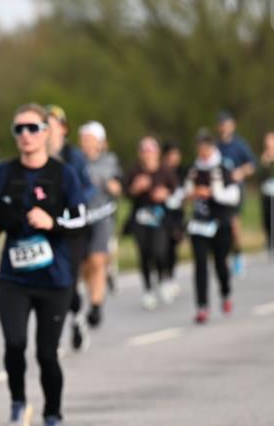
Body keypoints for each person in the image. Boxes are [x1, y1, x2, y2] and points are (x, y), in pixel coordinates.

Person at [0, 104, 87, 426]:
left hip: (55, 279)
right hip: (14, 278)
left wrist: (52, 222)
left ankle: (53, 414)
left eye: (32, 128)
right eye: (19, 130)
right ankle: (17, 403)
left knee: (46, 353)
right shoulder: (3, 173)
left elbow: (81, 219)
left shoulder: (63, 174)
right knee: (14, 344)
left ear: (46, 131)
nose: (25, 135)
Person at [47, 105, 95, 352]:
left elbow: (88, 189)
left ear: (63, 129)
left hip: (72, 228)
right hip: (46, 228)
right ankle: (52, 334)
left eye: (52, 124)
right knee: (48, 281)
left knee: (68, 281)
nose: (48, 130)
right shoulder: (36, 153)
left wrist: (71, 204)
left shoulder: (73, 156)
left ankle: (76, 318)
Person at [184, 130, 240, 324]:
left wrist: (213, 193)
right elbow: (184, 193)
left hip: (220, 223)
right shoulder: (194, 169)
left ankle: (225, 293)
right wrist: (193, 194)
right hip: (199, 224)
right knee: (200, 264)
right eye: (200, 148)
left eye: (206, 147)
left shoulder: (223, 167)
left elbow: (234, 196)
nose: (203, 152)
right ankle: (202, 306)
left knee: (220, 264)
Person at [124, 135, 178, 310]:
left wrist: (165, 194)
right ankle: (147, 290)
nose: (147, 155)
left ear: (157, 153)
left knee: (159, 250)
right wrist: (136, 188)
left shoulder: (165, 171)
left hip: (160, 217)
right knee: (144, 253)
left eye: (151, 151)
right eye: (144, 151)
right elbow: (126, 192)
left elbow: (176, 192)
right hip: (140, 218)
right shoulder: (134, 171)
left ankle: (163, 279)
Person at [79, 121, 122, 328]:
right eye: (84, 139)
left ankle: (96, 306)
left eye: (90, 139)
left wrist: (108, 184)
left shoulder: (109, 161)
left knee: (97, 261)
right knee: (85, 265)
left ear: (100, 142)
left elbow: (117, 186)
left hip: (103, 216)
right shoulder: (76, 162)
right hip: (81, 217)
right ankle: (95, 292)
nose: (86, 144)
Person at [216, 110, 256, 276]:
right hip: (220, 191)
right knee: (220, 227)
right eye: (221, 124)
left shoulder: (239, 145)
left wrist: (240, 172)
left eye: (227, 124)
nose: (224, 127)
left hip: (235, 191)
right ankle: (222, 257)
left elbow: (252, 165)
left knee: (234, 225)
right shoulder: (216, 147)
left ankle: (238, 256)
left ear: (232, 125)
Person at [160, 141, 188, 303]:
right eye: (171, 155)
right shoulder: (161, 172)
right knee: (162, 247)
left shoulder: (182, 172)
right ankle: (163, 275)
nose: (174, 158)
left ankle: (171, 276)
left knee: (173, 246)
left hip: (177, 215)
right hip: (164, 214)